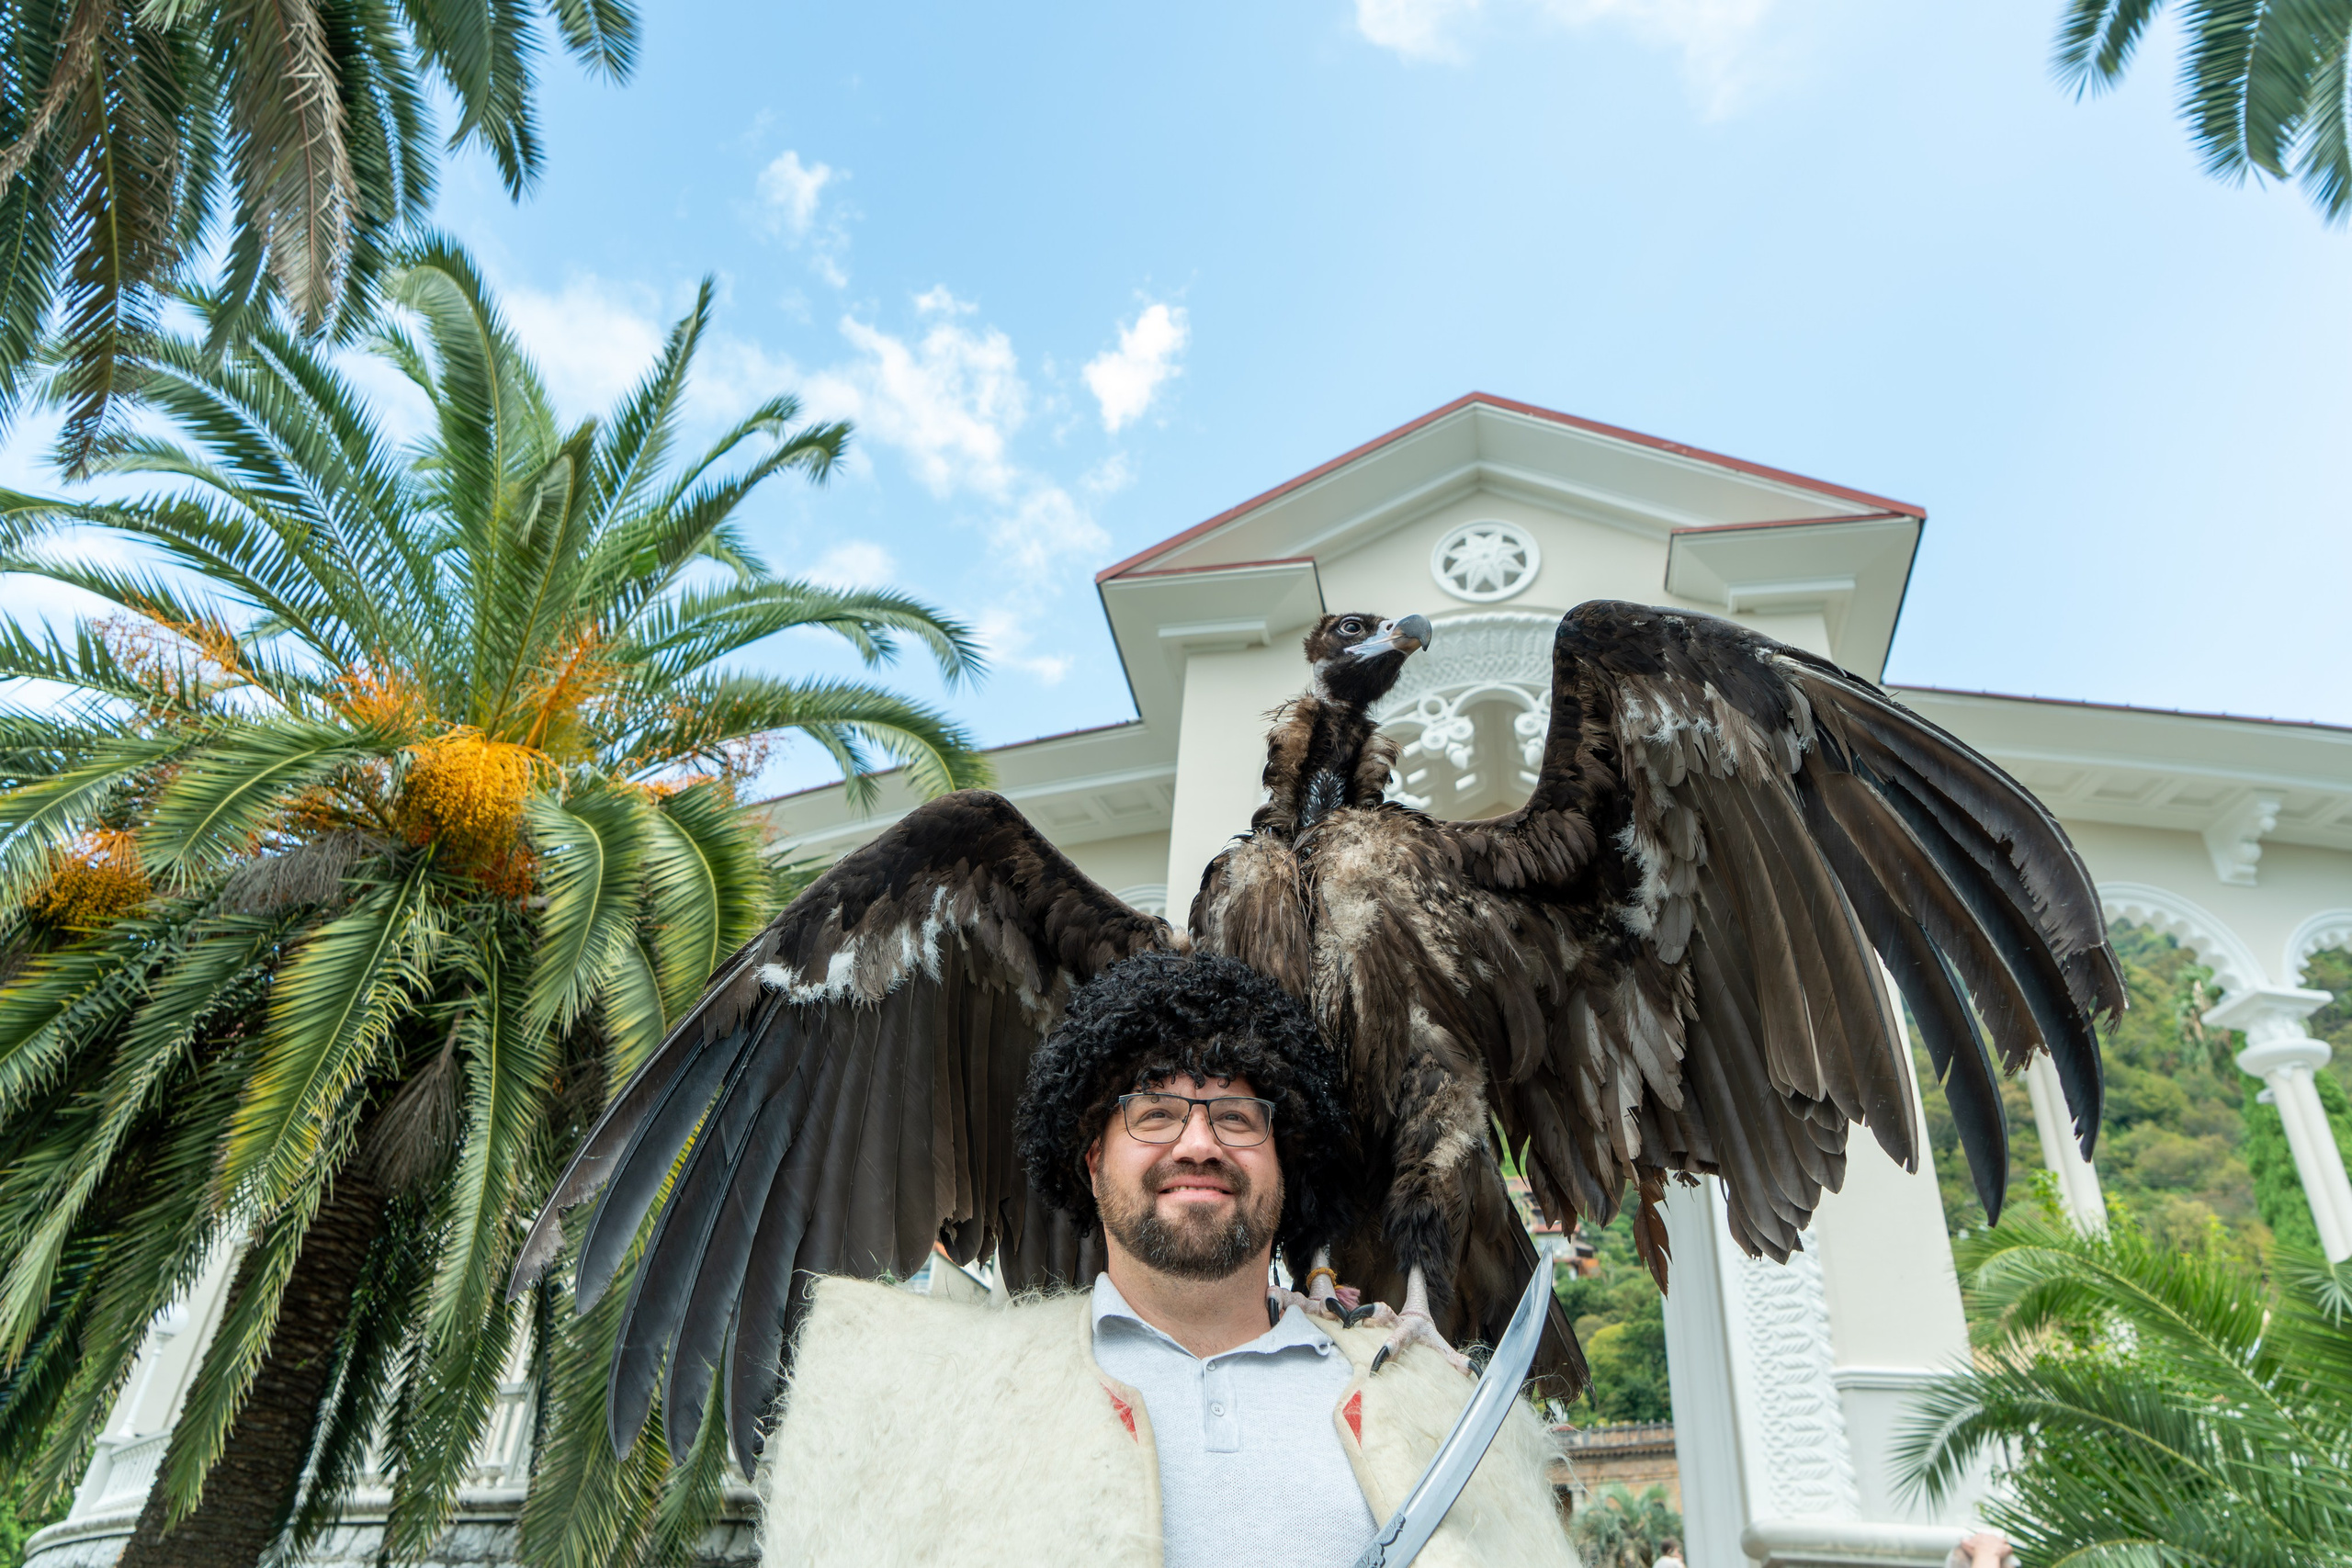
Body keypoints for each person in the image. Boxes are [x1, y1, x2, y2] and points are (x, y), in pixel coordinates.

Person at [757, 951, 1575, 1567]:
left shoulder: (1436, 1407)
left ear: (1284, 1161)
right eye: (1154, 1113)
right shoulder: (942, 1398)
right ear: (1092, 1160)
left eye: (1237, 1117)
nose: (1198, 1143)